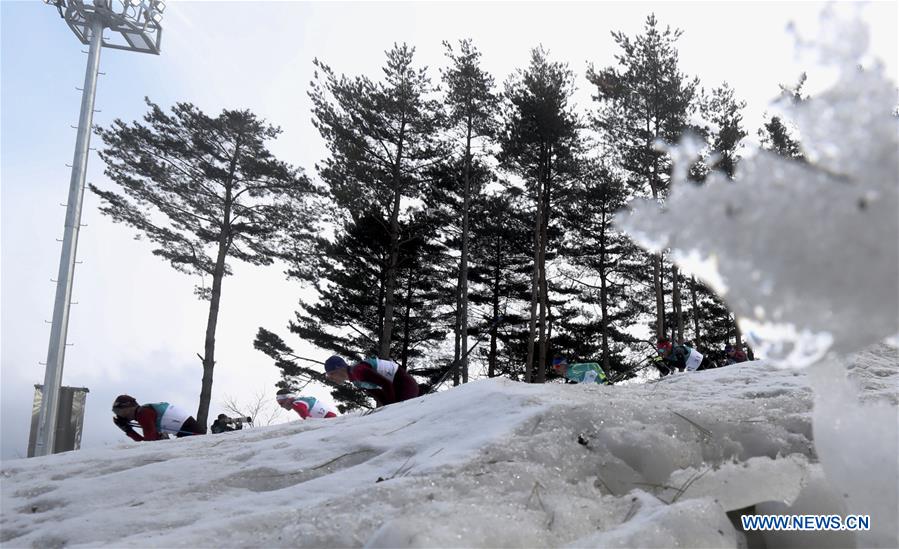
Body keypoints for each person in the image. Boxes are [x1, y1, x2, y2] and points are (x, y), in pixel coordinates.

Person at [324, 355, 419, 407]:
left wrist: (391, 407)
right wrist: (387, 407)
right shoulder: (356, 382)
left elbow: (386, 384)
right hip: (397, 387)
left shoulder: (358, 371)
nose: (332, 379)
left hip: (405, 385)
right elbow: (379, 394)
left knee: (402, 415)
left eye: (331, 374)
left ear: (338, 368)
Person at [111, 394, 203, 441]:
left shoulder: (143, 414)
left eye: (119, 412)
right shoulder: (145, 410)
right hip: (191, 430)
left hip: (190, 432)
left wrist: (129, 431)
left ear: (128, 408)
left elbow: (150, 443)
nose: (119, 415)